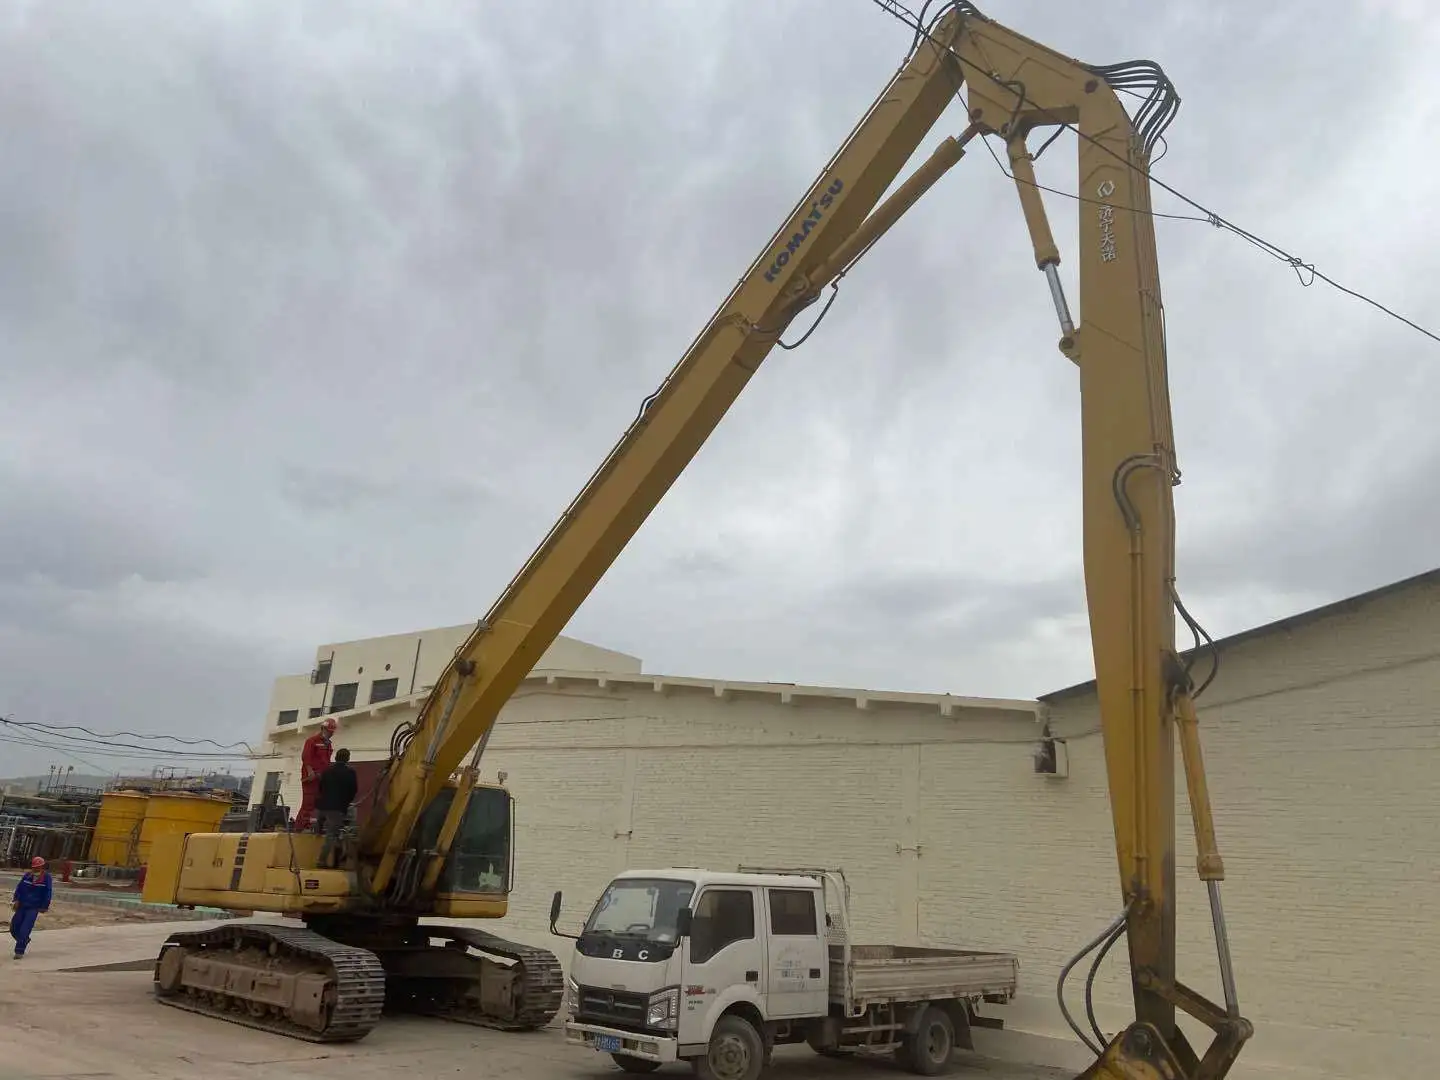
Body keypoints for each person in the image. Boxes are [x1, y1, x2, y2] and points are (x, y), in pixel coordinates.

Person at [315, 747, 359, 869]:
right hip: (336, 809)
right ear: (348, 759)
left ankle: (318, 833)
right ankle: (322, 861)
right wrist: (346, 803)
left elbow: (320, 788)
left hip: (322, 806)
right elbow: (353, 790)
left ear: (335, 757)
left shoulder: (327, 771)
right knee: (332, 835)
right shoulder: (350, 773)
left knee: (321, 832)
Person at [293, 716, 337, 831]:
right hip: (311, 778)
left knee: (316, 804)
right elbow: (305, 757)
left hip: (321, 778)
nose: (331, 734)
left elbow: (326, 761)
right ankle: (301, 827)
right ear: (323, 729)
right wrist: (310, 772)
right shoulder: (312, 741)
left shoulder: (328, 744)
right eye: (330, 731)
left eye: (332, 732)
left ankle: (307, 825)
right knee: (308, 803)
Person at [10, 856, 53, 959]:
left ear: (42, 867)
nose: (35, 869)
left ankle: (19, 951)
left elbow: (48, 892)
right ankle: (24, 940)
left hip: (33, 907)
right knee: (14, 928)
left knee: (25, 929)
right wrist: (16, 900)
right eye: (34, 867)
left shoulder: (46, 878)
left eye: (38, 867)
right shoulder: (27, 876)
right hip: (22, 905)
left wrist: (44, 906)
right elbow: (19, 888)